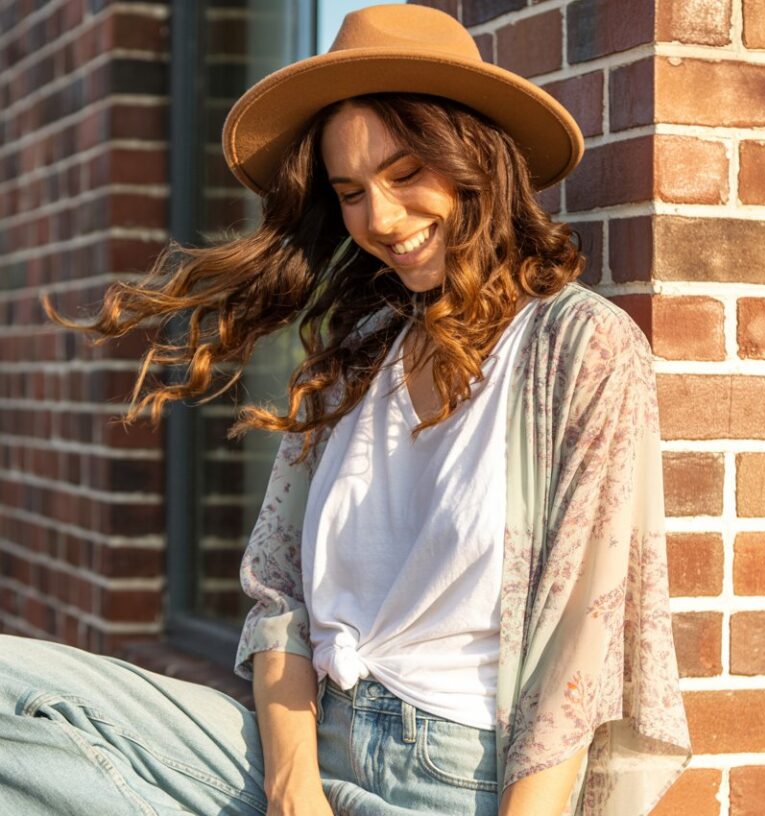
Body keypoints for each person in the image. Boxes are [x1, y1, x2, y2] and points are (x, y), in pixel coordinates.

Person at [0, 4, 692, 816]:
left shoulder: (579, 348)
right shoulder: (362, 352)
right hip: (298, 748)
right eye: (352, 192)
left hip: (450, 781)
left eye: (405, 175)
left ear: (478, 160)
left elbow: (578, 652)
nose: (382, 221)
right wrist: (294, 793)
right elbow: (281, 595)